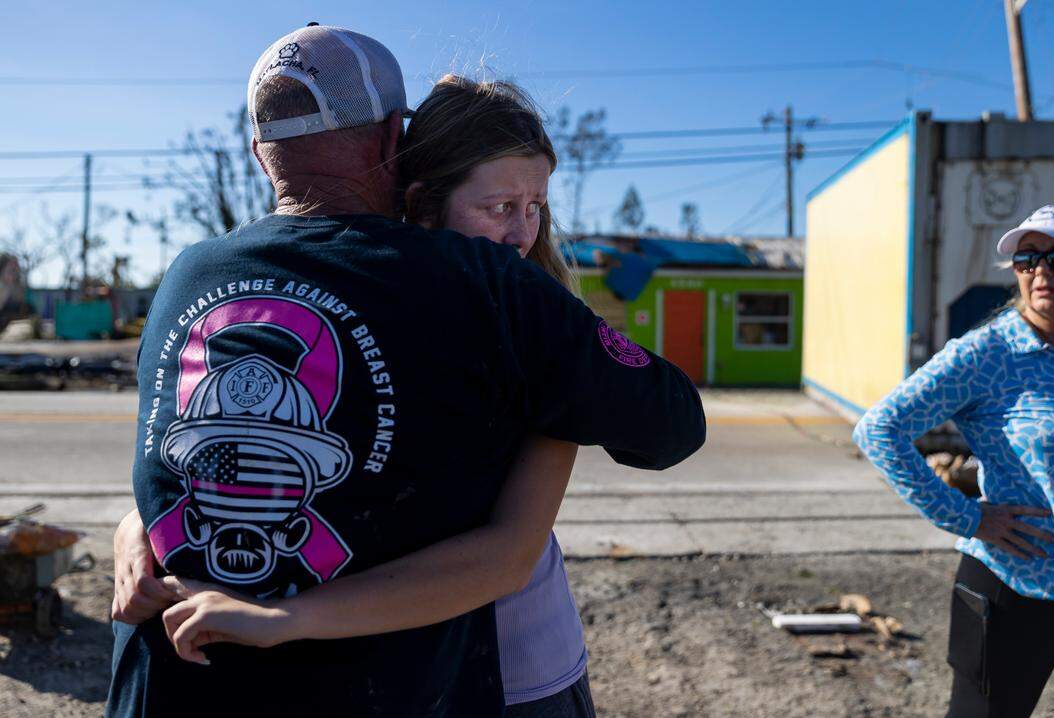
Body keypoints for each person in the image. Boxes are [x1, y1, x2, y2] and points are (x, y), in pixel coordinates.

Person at [106, 25, 705, 718]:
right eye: (500, 206)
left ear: (259, 157)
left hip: (171, 685)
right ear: (395, 143)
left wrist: (136, 527)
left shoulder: (189, 274)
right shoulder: (490, 292)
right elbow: (670, 424)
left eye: (533, 207)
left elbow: (183, 470)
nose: (522, 229)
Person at [854, 205, 1054, 717]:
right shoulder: (987, 354)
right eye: (1027, 259)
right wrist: (965, 516)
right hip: (1018, 584)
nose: (1041, 271)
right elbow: (878, 429)